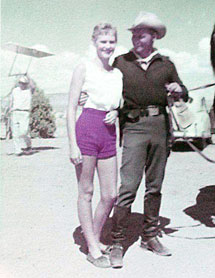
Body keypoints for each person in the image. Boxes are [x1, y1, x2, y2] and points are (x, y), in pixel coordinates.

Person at [107, 12, 188, 268]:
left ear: (153, 36)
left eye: (141, 33)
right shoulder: (120, 62)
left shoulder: (166, 63)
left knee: (154, 186)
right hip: (133, 127)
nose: (135, 38)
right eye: (133, 33)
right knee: (128, 186)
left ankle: (150, 236)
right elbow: (104, 88)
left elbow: (183, 92)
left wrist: (179, 90)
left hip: (160, 128)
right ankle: (116, 241)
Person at [66, 23, 123, 268]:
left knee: (110, 194)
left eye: (111, 42)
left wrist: (117, 112)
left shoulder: (118, 73)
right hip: (87, 128)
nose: (107, 46)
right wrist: (72, 145)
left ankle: (94, 237)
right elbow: (70, 108)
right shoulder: (84, 68)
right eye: (103, 42)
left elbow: (116, 101)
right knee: (86, 191)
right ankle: (92, 247)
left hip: (108, 132)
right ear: (94, 43)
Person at [9, 75, 35, 156]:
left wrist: (28, 77)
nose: (22, 85)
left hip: (25, 112)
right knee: (15, 133)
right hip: (15, 112)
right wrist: (10, 110)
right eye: (21, 83)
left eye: (24, 83)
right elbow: (11, 101)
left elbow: (33, 86)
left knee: (24, 131)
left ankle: (29, 146)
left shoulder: (28, 91)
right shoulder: (14, 91)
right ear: (18, 83)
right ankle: (17, 150)